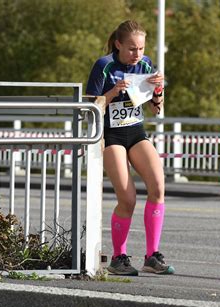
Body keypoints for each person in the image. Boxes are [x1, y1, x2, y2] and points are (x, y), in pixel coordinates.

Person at [86, 20, 174, 276]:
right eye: (132, 49)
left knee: (158, 187)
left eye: (141, 48)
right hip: (111, 134)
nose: (137, 55)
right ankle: (118, 258)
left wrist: (158, 91)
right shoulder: (104, 65)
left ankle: (152, 256)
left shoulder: (145, 65)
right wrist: (113, 92)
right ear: (118, 45)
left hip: (136, 131)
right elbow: (91, 105)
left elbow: (155, 107)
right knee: (127, 199)